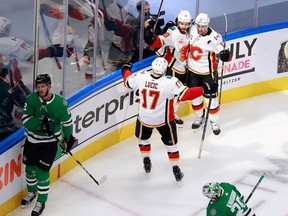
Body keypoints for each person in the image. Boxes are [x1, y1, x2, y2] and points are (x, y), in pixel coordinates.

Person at [121, 57, 208, 183]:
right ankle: (176, 170)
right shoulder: (170, 82)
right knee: (171, 145)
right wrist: (204, 89)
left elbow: (127, 81)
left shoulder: (141, 76)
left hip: (145, 118)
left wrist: (125, 69)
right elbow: (187, 94)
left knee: (143, 139)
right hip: (164, 120)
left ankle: (146, 161)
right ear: (165, 69)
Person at [21, 74, 76, 216]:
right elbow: (25, 119)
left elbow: (67, 123)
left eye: (43, 86)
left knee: (41, 172)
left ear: (49, 86)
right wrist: (42, 124)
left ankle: (41, 201)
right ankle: (32, 192)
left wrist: (68, 139)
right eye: (38, 87)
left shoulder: (60, 104)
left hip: (49, 143)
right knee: (29, 170)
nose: (40, 89)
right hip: (32, 141)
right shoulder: (32, 99)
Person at [144, 10, 192, 125]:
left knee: (179, 93)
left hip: (185, 66)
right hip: (174, 66)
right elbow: (157, 42)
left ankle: (172, 114)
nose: (184, 26)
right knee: (172, 93)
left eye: (186, 24)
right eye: (182, 23)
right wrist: (149, 36)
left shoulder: (193, 31)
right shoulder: (172, 32)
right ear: (178, 22)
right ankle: (167, 115)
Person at [187, 13, 231, 135]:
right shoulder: (192, 29)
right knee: (195, 98)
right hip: (192, 72)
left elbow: (223, 51)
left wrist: (225, 55)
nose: (200, 29)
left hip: (207, 73)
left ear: (207, 25)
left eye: (203, 26)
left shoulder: (215, 37)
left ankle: (214, 121)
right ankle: (199, 117)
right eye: (198, 26)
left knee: (211, 99)